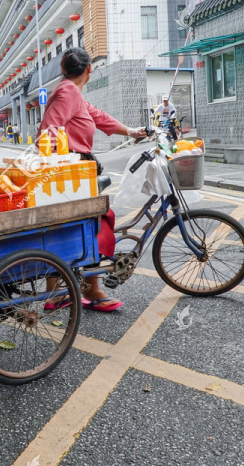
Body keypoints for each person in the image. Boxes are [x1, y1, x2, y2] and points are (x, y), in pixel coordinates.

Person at [39, 48, 146, 312]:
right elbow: (49, 131)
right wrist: (60, 166)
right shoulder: (67, 92)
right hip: (72, 172)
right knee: (97, 224)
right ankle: (92, 290)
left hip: (77, 169)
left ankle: (56, 292)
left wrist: (132, 132)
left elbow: (97, 116)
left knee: (67, 227)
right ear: (89, 70)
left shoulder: (72, 92)